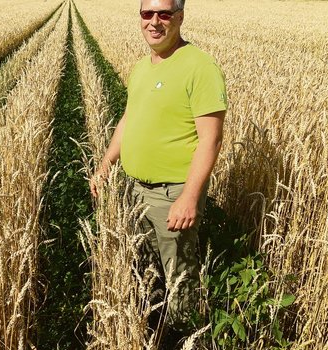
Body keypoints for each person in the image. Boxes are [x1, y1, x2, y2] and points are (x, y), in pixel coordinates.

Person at [89, 0, 228, 342]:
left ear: (179, 17)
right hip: (135, 191)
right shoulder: (142, 67)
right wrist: (106, 164)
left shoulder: (199, 67)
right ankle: (149, 334)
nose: (154, 22)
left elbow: (211, 139)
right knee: (144, 275)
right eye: (147, 13)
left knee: (179, 281)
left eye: (164, 14)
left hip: (172, 196)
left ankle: (185, 340)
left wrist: (190, 197)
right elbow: (128, 119)